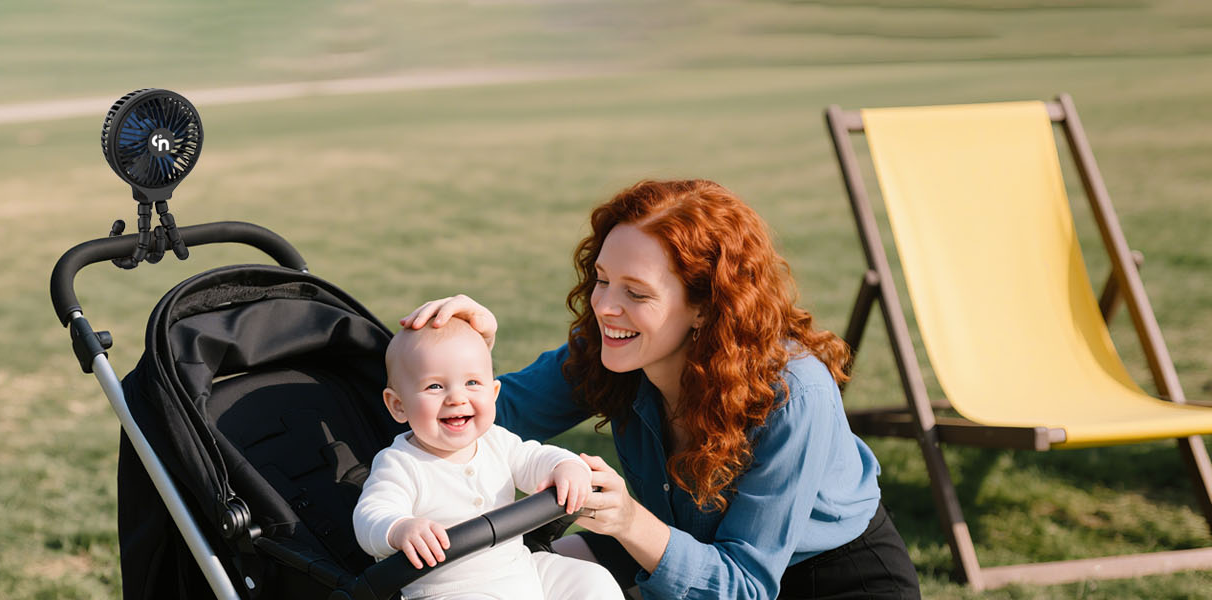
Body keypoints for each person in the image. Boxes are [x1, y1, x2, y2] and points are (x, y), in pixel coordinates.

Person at [400, 179, 921, 599]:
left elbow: (744, 586)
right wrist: (468, 352)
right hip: (672, 544)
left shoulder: (793, 391)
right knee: (520, 576)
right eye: (602, 280)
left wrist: (626, 519)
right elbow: (481, 418)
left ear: (704, 306)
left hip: (827, 578)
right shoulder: (610, 349)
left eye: (636, 292)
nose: (604, 307)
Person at [352, 320, 625, 600]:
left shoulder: (496, 441)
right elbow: (370, 515)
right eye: (435, 386)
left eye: (472, 383)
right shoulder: (400, 463)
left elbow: (533, 458)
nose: (457, 398)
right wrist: (399, 528)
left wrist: (565, 466)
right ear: (398, 405)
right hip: (451, 589)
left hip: (520, 569)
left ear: (493, 394)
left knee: (590, 578)